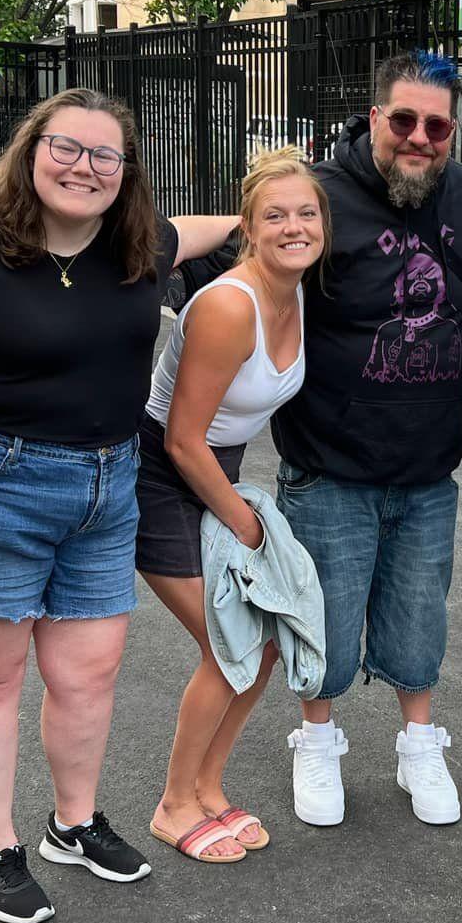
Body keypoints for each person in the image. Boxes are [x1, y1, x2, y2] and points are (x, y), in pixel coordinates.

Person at [0, 89, 239, 923]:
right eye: (66, 148)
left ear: (126, 171)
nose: (84, 167)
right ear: (30, 148)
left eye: (104, 155)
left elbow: (203, 227)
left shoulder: (136, 242)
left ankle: (72, 824)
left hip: (103, 486)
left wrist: (280, 204)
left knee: (88, 674)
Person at [274, 50, 462, 830]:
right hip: (330, 464)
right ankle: (316, 739)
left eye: (436, 125)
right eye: (403, 120)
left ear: (453, 131)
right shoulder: (319, 197)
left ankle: (418, 743)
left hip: (428, 467)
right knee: (322, 623)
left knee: (418, 621)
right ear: (374, 118)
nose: (419, 137)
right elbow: (251, 281)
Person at [138, 149, 325, 863]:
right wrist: (249, 525)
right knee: (232, 644)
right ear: (248, 227)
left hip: (220, 471)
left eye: (307, 213)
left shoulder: (299, 288)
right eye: (274, 216)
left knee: (264, 646)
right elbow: (184, 442)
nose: (294, 227)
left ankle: (208, 789)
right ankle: (172, 804)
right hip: (161, 473)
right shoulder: (227, 305)